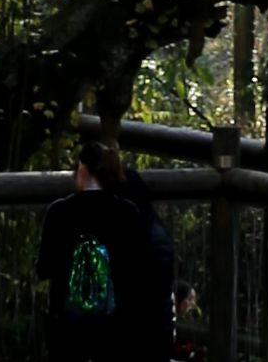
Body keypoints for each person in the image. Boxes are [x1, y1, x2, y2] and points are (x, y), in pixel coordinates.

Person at [34, 127, 173, 362]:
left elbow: (44, 268)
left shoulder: (59, 212)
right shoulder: (128, 213)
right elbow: (136, 269)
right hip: (116, 327)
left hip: (68, 328)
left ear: (82, 170)